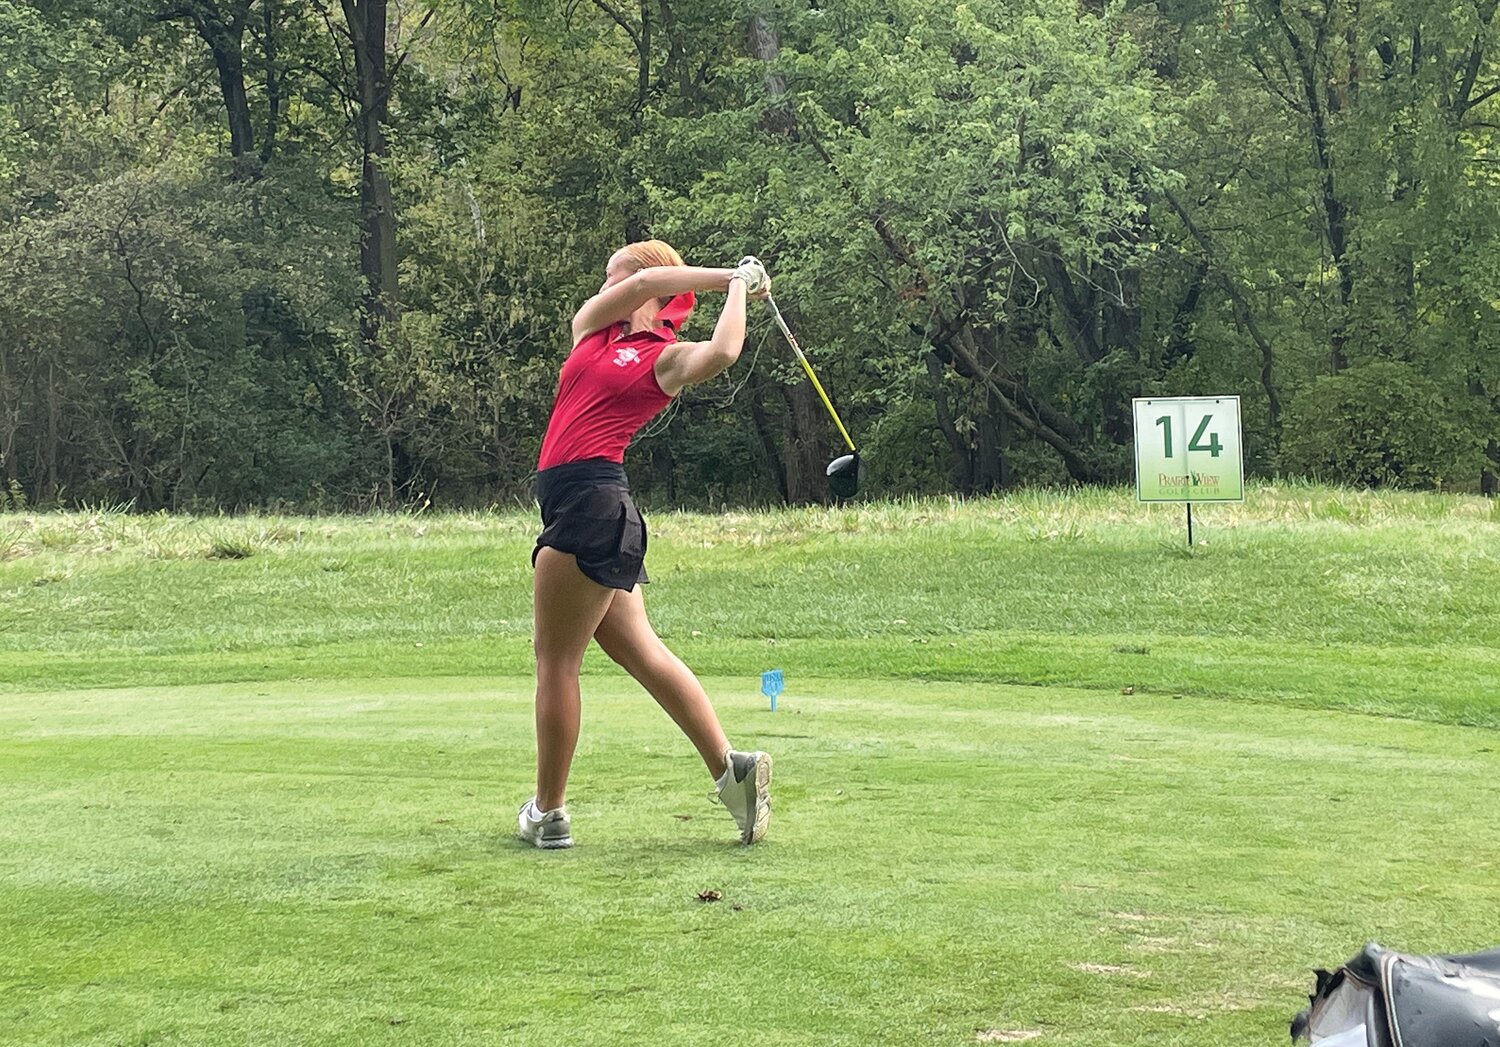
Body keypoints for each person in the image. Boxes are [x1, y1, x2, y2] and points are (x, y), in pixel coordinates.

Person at [518, 241, 773, 850]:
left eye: (612, 277)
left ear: (650, 280)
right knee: (641, 653)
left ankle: (548, 813)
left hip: (594, 503)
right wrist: (726, 274)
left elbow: (724, 350)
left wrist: (738, 288)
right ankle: (731, 770)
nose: (603, 289)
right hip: (595, 511)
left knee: (556, 661)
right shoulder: (590, 332)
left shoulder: (664, 358)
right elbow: (631, 295)